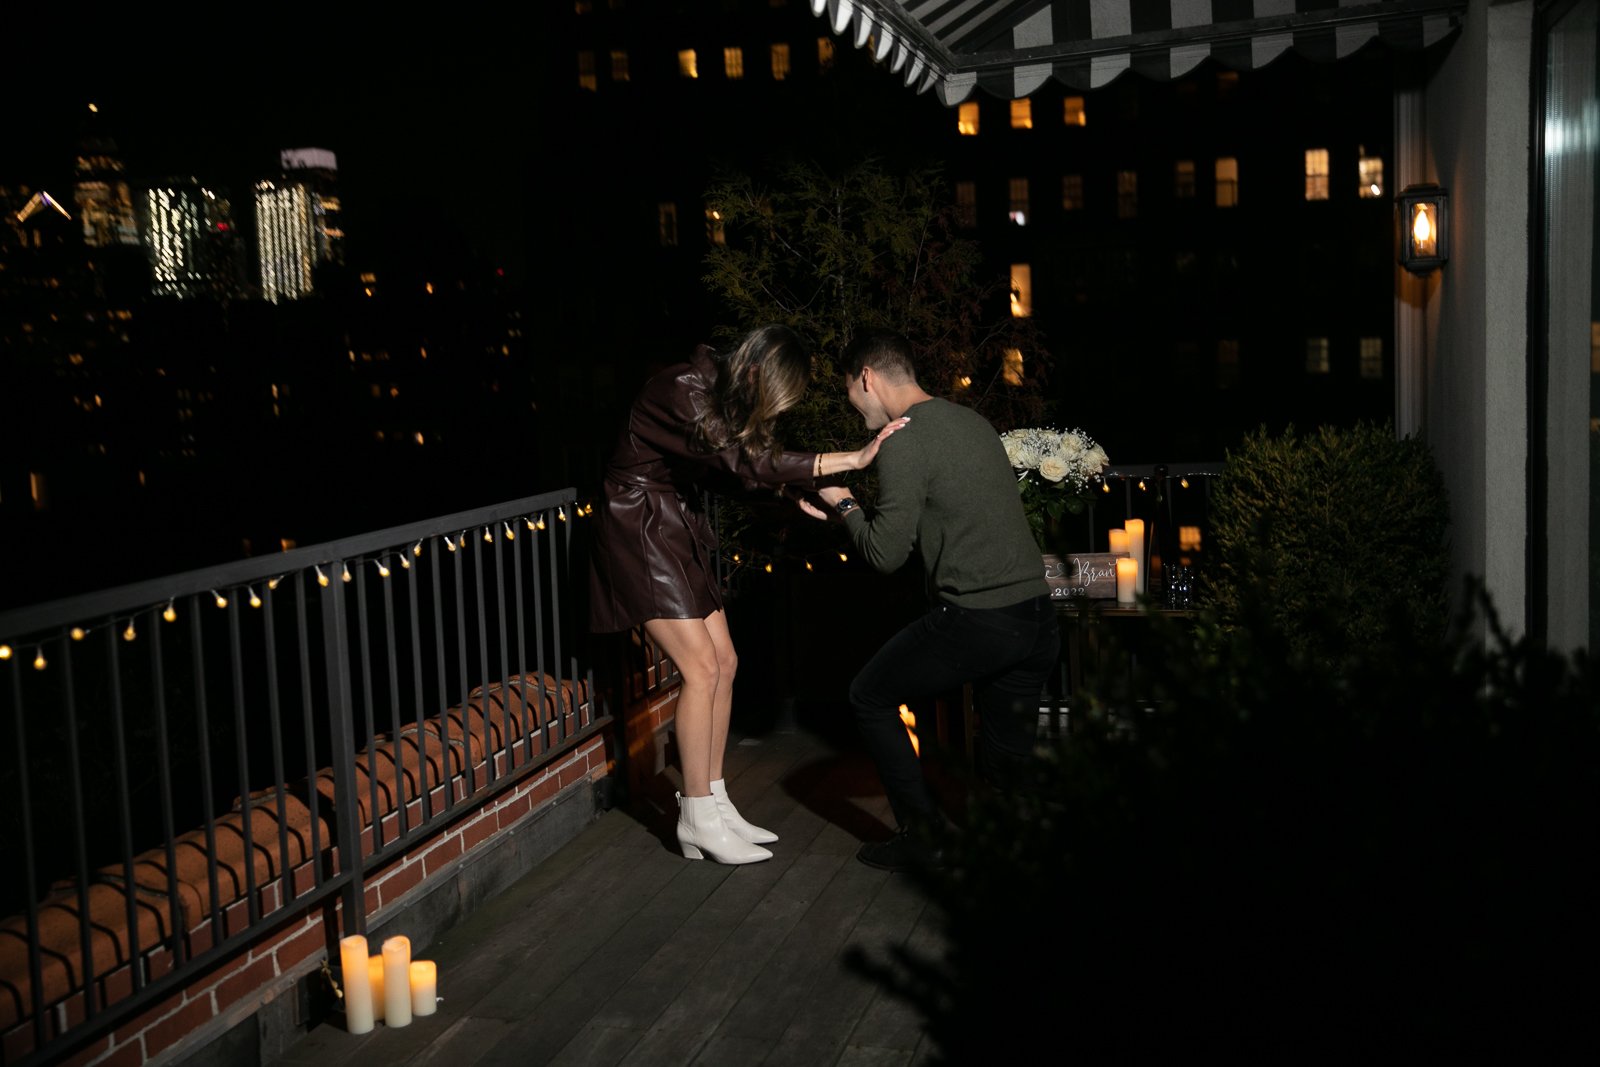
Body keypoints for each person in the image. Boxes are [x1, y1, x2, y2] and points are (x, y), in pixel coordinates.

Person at [588, 324, 909, 865]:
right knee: (701, 670)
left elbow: (734, 474)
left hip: (671, 527)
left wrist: (790, 499)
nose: (775, 412)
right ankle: (695, 816)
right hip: (638, 533)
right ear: (757, 370)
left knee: (726, 662)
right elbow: (741, 461)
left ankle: (713, 802)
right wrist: (847, 460)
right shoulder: (682, 388)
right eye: (775, 398)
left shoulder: (713, 392)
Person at [805, 329, 1060, 874]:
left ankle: (922, 835)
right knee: (1004, 766)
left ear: (867, 378)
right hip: (1036, 618)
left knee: (869, 696)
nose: (852, 403)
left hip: (981, 620)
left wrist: (845, 501)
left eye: (850, 389)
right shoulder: (970, 421)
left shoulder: (905, 439)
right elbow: (941, 522)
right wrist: (845, 520)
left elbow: (885, 556)